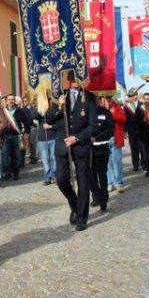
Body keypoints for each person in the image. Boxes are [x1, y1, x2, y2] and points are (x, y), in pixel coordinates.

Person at [45, 72, 97, 232]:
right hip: (62, 145)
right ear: (68, 80)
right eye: (73, 78)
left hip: (80, 145)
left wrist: (78, 138)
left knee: (83, 182)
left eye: (79, 78)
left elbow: (93, 126)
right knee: (61, 179)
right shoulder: (60, 96)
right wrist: (59, 107)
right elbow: (49, 119)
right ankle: (75, 205)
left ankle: (82, 217)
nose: (76, 81)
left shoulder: (89, 97)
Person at [90, 96, 113, 211]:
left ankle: (104, 198)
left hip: (101, 147)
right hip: (89, 149)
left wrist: (97, 137)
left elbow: (110, 129)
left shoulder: (105, 112)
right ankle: (96, 196)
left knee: (102, 174)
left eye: (95, 100)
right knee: (90, 175)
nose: (94, 102)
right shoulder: (86, 113)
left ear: (99, 100)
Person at [1, 94, 31, 181]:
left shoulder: (20, 111)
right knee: (4, 155)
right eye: (9, 99)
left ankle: (15, 173)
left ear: (15, 101)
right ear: (6, 101)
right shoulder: (3, 111)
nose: (11, 101)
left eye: (12, 99)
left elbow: (27, 123)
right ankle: (7, 171)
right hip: (5, 136)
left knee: (17, 156)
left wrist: (26, 133)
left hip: (16, 136)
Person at [34, 95, 58, 186]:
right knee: (45, 160)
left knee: (54, 158)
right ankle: (47, 177)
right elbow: (33, 116)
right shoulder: (39, 111)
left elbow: (59, 124)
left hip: (53, 137)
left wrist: (50, 126)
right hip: (42, 139)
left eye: (48, 100)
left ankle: (55, 176)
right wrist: (40, 111)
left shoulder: (54, 109)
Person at [123, 89, 142, 172]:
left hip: (142, 131)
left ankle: (145, 163)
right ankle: (136, 165)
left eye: (131, 96)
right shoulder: (126, 107)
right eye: (129, 96)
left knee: (143, 148)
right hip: (131, 130)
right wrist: (124, 131)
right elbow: (125, 119)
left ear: (136, 96)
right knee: (134, 149)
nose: (129, 97)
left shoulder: (141, 105)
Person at [137, 92, 149, 177]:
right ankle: (148, 169)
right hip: (143, 134)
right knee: (145, 153)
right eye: (145, 99)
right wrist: (144, 120)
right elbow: (136, 121)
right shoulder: (139, 109)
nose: (146, 100)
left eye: (148, 99)